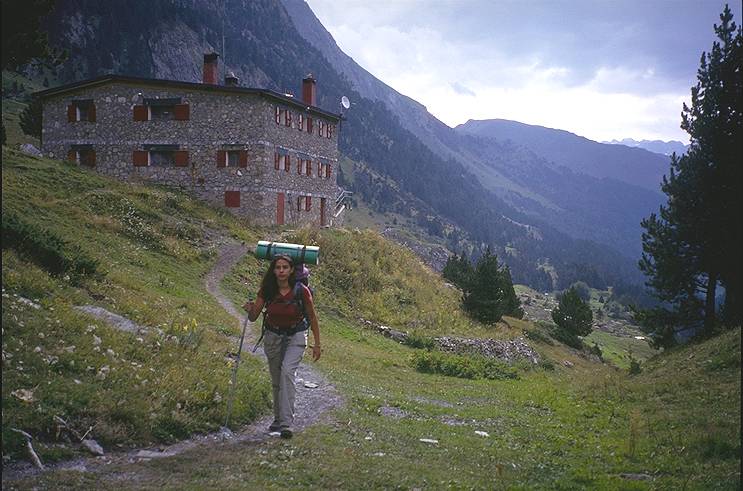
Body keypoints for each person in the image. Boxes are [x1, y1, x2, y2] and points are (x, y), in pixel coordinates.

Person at [243, 254, 321, 439]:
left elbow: (312, 317)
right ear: (273, 270)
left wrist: (317, 344)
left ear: (291, 270)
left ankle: (286, 424)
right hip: (273, 336)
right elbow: (253, 317)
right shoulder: (267, 289)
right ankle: (277, 419)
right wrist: (249, 309)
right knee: (277, 379)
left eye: (285, 267)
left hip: (296, 335)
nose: (281, 271)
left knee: (287, 372)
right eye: (278, 267)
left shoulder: (302, 291)